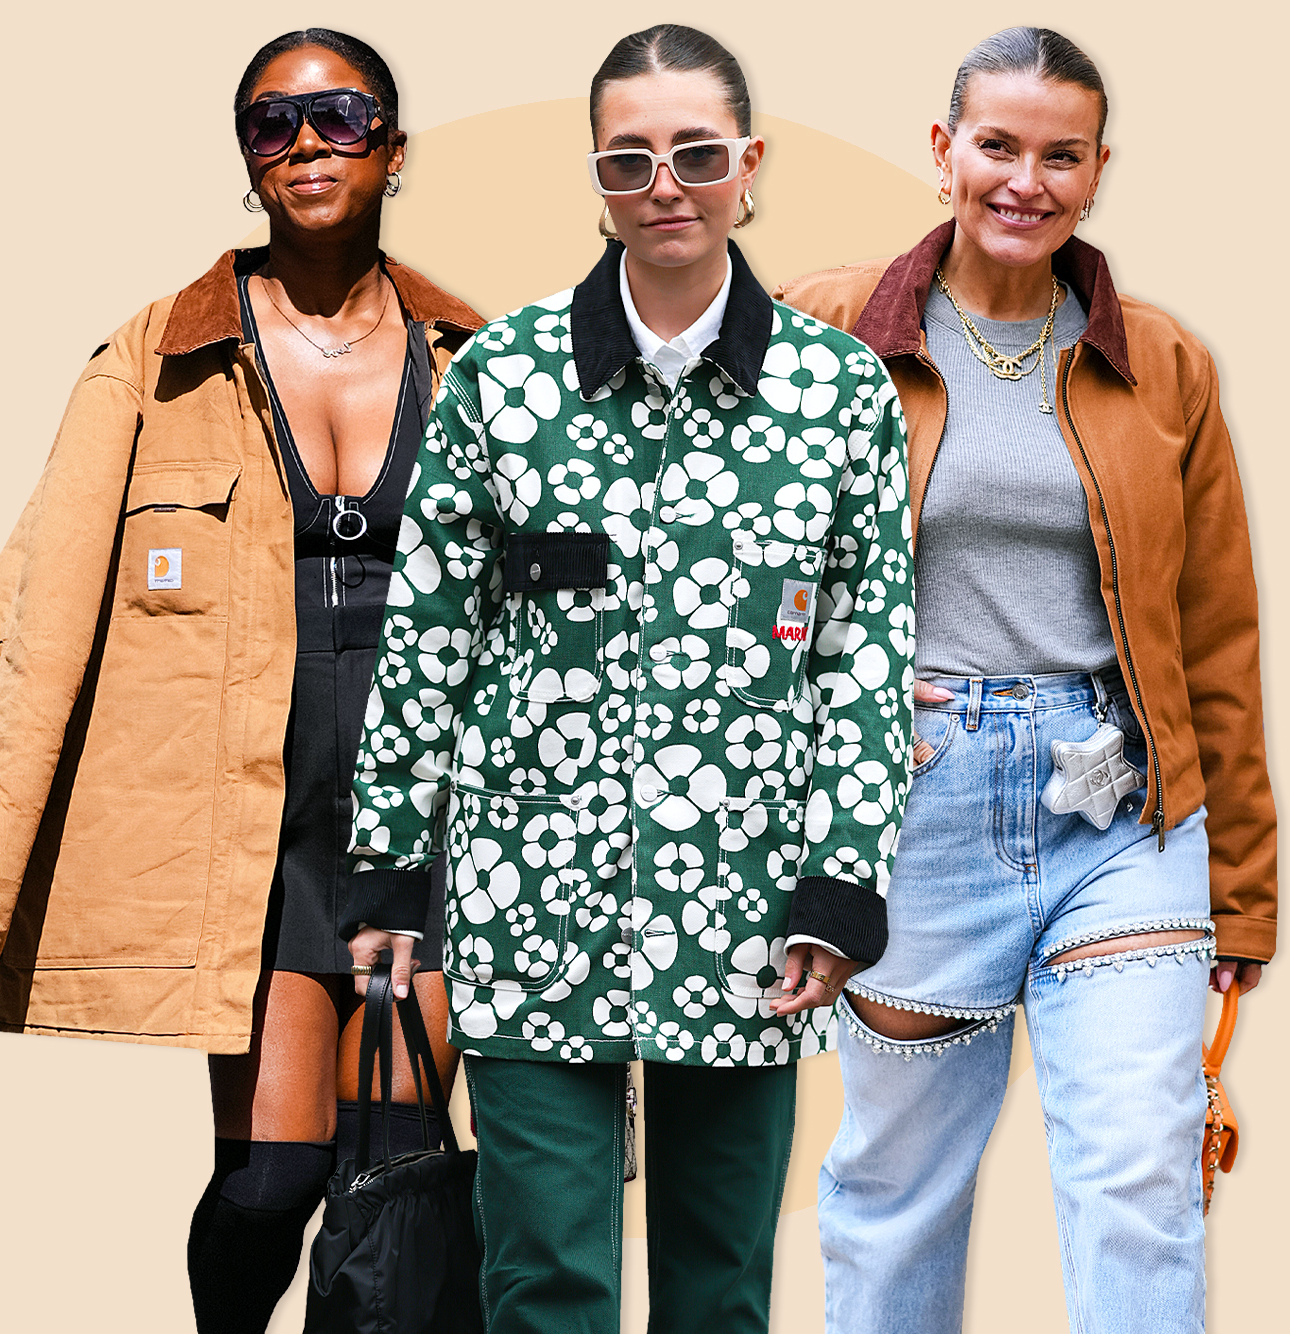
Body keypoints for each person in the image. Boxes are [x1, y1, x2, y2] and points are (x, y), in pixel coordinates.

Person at [342, 24, 914, 1334]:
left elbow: (865, 652)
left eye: (698, 154)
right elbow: (426, 632)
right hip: (532, 892)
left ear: (749, 165)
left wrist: (838, 885)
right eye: (631, 159)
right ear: (596, 178)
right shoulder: (504, 377)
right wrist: (385, 871)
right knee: (546, 1279)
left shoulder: (838, 393)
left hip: (749, 903)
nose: (667, 184)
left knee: (721, 1283)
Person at [0, 28, 482, 1333]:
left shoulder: (479, 354)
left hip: (441, 806)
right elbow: (40, 616)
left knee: (395, 1160)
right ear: (246, 159)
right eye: (271, 124)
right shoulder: (155, 355)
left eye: (339, 116)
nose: (305, 145)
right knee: (273, 1176)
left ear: (393, 145)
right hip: (256, 816)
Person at [776, 26, 1279, 1334]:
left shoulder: (1164, 364)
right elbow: (731, 551)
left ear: (1098, 170)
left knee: (1138, 1177)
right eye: (997, 145)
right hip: (914, 804)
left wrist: (1246, 897)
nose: (1026, 179)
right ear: (943, 152)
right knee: (896, 1192)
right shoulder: (825, 327)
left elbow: (1217, 637)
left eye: (1061, 155)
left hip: (1120, 812)